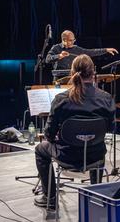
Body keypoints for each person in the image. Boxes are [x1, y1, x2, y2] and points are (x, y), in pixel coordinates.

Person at [34, 55, 115, 209]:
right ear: (93, 72)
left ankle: (50, 198)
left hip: (67, 156)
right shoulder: (106, 99)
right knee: (98, 147)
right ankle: (96, 196)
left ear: (72, 73)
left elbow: (49, 135)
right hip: (95, 156)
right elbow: (110, 129)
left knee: (40, 150)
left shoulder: (61, 99)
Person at [46, 30, 118, 71]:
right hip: (59, 77)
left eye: (73, 40)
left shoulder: (76, 49)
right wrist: (59, 56)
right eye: (71, 40)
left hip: (72, 76)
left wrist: (106, 50)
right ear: (64, 40)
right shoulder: (56, 48)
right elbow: (47, 59)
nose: (73, 42)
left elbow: (90, 52)